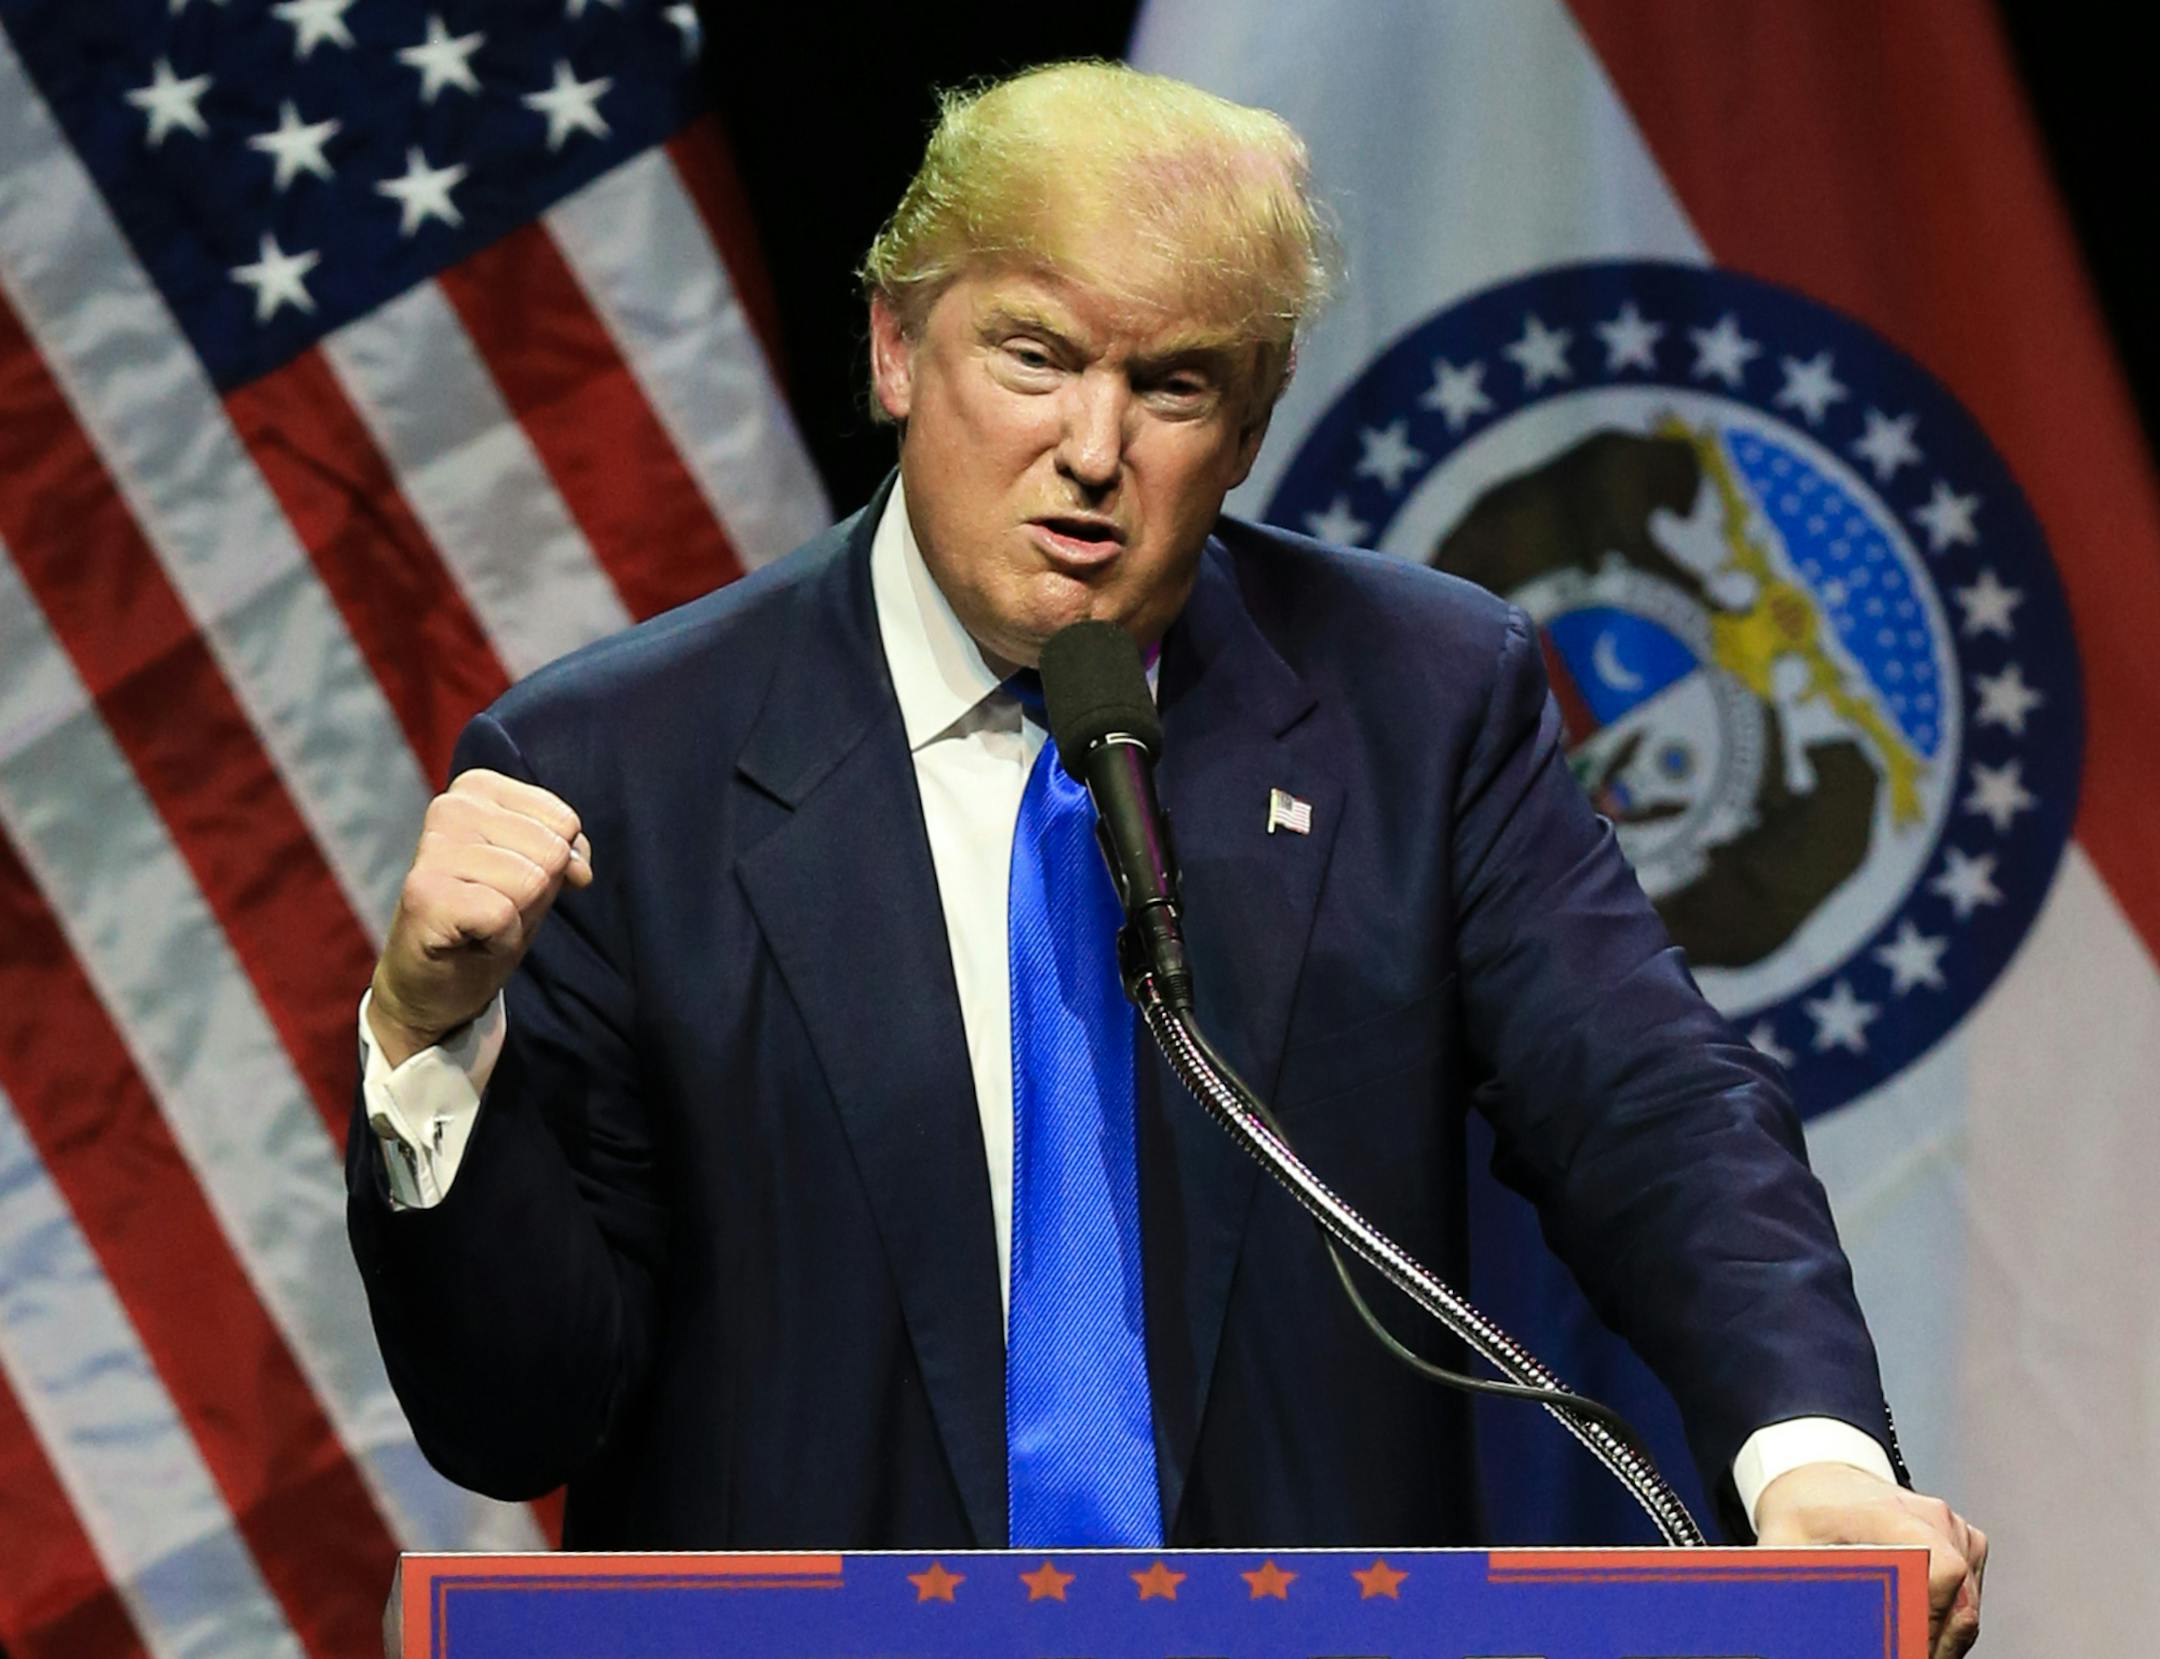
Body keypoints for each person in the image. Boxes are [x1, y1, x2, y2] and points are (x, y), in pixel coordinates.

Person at [347, 61, 1986, 1656]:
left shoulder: (1416, 702)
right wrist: (429, 1041)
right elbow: (518, 1416)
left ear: (1254, 422)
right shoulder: (619, 770)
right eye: (1037, 357)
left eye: (1176, 386)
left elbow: (1651, 1101)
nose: (1093, 446)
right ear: (897, 349)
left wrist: (1814, 1458)